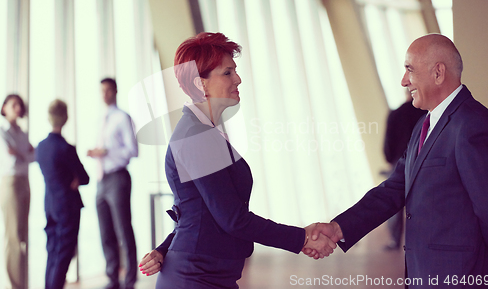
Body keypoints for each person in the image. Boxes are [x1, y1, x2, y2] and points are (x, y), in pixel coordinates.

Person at [137, 32, 336, 289]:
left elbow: (197, 210)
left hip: (208, 272)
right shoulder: (196, 135)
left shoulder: (205, 131)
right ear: (201, 84)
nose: (238, 79)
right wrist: (302, 237)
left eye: (235, 71)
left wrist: (164, 248)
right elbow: (232, 218)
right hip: (196, 276)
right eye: (227, 73)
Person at [307, 34, 488, 287]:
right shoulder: (424, 124)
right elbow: (394, 188)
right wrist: (339, 228)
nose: (403, 81)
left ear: (438, 73)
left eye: (409, 69)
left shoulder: (472, 123)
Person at [87, 78, 139, 289]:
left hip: (118, 177)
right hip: (102, 180)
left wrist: (106, 152)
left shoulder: (122, 117)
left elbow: (133, 151)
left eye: (108, 90)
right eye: (102, 91)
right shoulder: (101, 119)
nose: (105, 94)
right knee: (105, 230)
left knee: (123, 228)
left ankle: (130, 278)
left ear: (115, 91)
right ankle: (112, 277)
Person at [36, 99, 89, 289]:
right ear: (65, 117)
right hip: (67, 204)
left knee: (52, 250)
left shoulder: (40, 147)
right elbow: (85, 177)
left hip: (49, 204)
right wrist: (74, 178)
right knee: (64, 252)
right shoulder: (66, 148)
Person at [382, 92, 425, 250]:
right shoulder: (425, 114)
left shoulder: (396, 113)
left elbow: (388, 141)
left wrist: (390, 159)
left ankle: (395, 240)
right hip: (422, 161)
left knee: (394, 201)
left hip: (399, 161)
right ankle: (420, 240)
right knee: (421, 200)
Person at [0, 94, 34, 289]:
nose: (18, 108)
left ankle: (23, 284)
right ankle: (15, 286)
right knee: (13, 236)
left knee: (22, 235)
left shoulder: (21, 132)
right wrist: (24, 154)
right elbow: (11, 159)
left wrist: (20, 153)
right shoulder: (2, 131)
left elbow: (33, 156)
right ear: (4, 107)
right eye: (14, 105)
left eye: (20, 105)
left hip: (24, 182)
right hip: (10, 183)